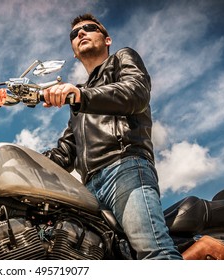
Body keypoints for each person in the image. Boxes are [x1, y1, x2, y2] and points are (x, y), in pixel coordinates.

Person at [41, 13, 182, 260]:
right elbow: (64, 154)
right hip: (87, 191)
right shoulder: (79, 99)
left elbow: (135, 93)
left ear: (107, 39)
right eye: (75, 34)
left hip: (124, 167)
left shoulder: (121, 59)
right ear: (74, 52)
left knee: (155, 253)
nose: (80, 33)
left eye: (88, 28)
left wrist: (79, 97)